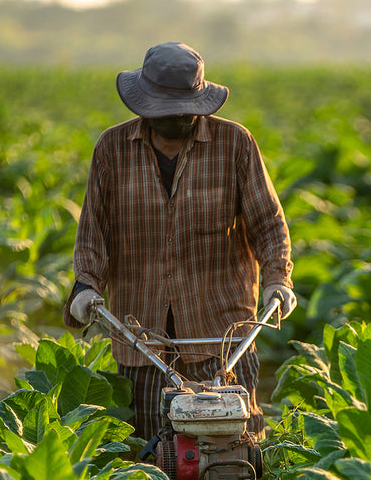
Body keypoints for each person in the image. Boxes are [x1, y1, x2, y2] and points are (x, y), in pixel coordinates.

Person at [64, 41, 296, 441]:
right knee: (149, 446)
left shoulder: (235, 144)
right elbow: (94, 230)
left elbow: (268, 223)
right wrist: (86, 285)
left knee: (235, 441)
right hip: (140, 331)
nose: (176, 119)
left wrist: (278, 279)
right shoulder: (112, 149)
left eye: (185, 111)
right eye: (165, 112)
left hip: (221, 330)